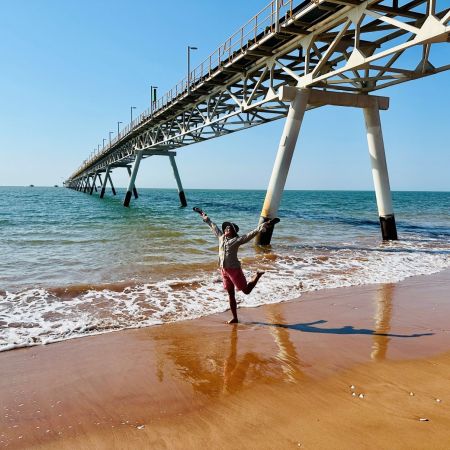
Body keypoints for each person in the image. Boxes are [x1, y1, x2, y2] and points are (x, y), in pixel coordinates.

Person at [199, 211, 273, 324]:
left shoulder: (236, 240)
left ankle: (257, 275)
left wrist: (260, 228)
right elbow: (213, 227)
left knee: (246, 291)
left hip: (234, 271)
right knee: (230, 294)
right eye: (226, 227)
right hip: (224, 270)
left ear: (233, 232)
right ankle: (235, 318)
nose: (227, 228)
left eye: (230, 228)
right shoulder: (221, 237)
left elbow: (249, 235)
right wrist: (206, 218)